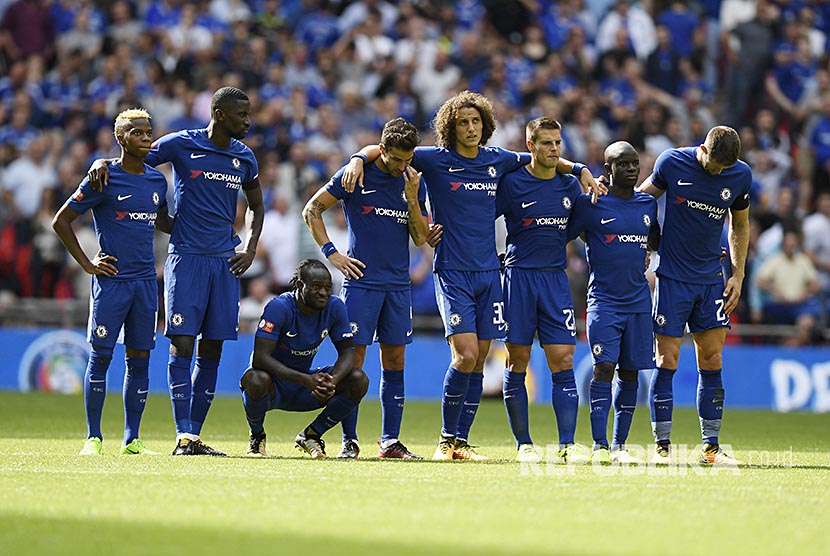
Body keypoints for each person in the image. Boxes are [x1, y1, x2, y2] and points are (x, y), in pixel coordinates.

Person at [344, 91, 601, 461]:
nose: (470, 128)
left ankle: (460, 444)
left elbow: (545, 157)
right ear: (451, 126)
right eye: (463, 122)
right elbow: (389, 147)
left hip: (489, 272)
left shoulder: (498, 160)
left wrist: (579, 170)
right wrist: (357, 157)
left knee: (480, 359)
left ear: (485, 125)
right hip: (452, 270)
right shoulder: (434, 160)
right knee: (464, 356)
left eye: (476, 121)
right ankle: (445, 440)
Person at [88, 87, 265, 456]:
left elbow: (256, 207)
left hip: (225, 262)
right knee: (182, 343)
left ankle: (194, 436)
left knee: (212, 347)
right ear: (218, 113)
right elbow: (133, 158)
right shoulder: (181, 145)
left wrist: (249, 246)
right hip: (185, 258)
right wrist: (100, 162)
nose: (248, 121)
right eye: (241, 115)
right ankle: (182, 434)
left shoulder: (244, 157)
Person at [302, 118, 430, 459]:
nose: (403, 166)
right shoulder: (356, 175)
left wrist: (414, 198)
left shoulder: (412, 180)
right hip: (362, 284)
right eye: (397, 159)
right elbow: (312, 209)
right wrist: (333, 255)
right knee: (353, 362)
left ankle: (390, 441)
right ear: (383, 150)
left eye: (409, 159)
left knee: (395, 360)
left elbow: (420, 237)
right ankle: (349, 441)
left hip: (398, 286)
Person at [52, 108, 171, 456]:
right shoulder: (102, 177)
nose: (146, 138)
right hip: (112, 282)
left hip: (146, 283)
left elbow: (162, 220)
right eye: (137, 133)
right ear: (121, 138)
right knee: (101, 357)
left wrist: (207, 231)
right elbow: (61, 221)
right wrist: (88, 264)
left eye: (149, 132)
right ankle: (93, 437)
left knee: (140, 360)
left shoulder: (155, 181)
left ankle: (132, 439)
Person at [637, 126, 751, 465]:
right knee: (666, 360)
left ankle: (711, 448)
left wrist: (739, 274)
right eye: (714, 166)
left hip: (711, 281)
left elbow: (739, 225)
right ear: (703, 149)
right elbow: (642, 200)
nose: (718, 173)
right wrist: (644, 240)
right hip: (672, 278)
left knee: (712, 360)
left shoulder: (740, 175)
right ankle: (662, 447)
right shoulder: (672, 162)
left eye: (723, 170)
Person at [497, 118, 589, 464]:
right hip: (518, 279)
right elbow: (480, 220)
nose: (553, 149)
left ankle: (567, 443)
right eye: (546, 143)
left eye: (557, 143)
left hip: (554, 280)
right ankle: (524, 444)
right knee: (517, 359)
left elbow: (580, 231)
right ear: (530, 145)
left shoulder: (570, 187)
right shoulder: (512, 184)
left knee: (563, 359)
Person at [568, 141, 661, 464]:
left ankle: (620, 445)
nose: (632, 168)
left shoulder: (647, 205)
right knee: (604, 367)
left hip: (638, 302)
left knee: (631, 372)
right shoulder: (592, 203)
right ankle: (599, 444)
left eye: (635, 163)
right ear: (608, 170)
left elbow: (655, 240)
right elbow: (567, 234)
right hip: (604, 301)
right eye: (623, 164)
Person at [240, 259, 368, 458]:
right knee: (256, 379)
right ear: (300, 286)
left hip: (305, 387)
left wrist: (331, 382)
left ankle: (312, 435)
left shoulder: (334, 306)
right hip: (273, 387)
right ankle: (257, 436)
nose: (324, 293)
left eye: (327, 287)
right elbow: (260, 359)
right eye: (316, 287)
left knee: (357, 378)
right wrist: (306, 380)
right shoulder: (279, 307)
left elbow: (348, 352)